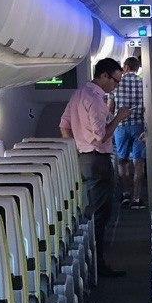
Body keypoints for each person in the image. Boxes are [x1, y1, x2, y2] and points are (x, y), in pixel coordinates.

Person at [58, 57, 125, 274]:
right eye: (115, 81)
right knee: (101, 213)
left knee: (91, 209)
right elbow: (101, 137)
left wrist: (76, 150)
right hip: (98, 160)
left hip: (84, 159)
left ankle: (92, 263)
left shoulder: (78, 94)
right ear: (104, 75)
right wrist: (119, 117)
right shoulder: (95, 100)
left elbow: (64, 126)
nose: (116, 86)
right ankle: (98, 265)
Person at [112, 54, 148, 207]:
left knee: (122, 161)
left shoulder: (116, 84)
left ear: (125, 67)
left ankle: (126, 194)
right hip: (139, 125)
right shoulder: (143, 82)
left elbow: (110, 108)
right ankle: (137, 198)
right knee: (138, 162)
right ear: (137, 68)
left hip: (120, 126)